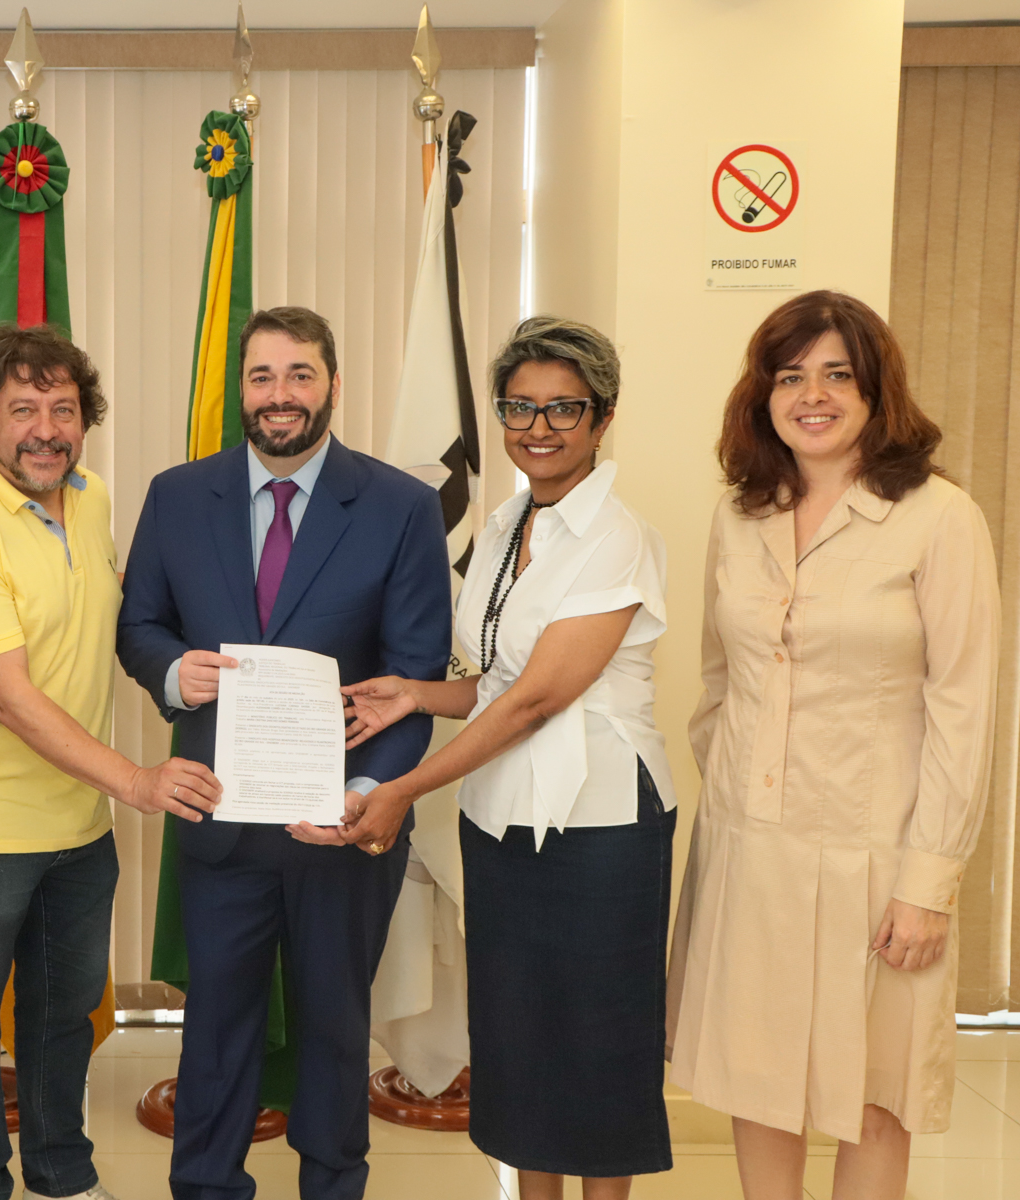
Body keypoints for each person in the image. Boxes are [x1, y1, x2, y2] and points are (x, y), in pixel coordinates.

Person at [667, 290, 1001, 1200]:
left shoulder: (940, 517)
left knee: (874, 1095)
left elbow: (964, 710)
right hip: (751, 851)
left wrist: (929, 882)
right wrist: (736, 796)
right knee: (756, 1082)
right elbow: (719, 685)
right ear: (763, 394)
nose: (811, 395)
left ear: (876, 391)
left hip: (880, 857)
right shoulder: (741, 515)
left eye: (836, 375)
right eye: (789, 376)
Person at [336, 316, 676, 1199]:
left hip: (601, 824)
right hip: (501, 818)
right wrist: (415, 695)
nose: (538, 427)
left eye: (564, 408)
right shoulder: (502, 524)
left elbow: (538, 699)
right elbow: (496, 681)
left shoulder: (617, 536)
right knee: (519, 1040)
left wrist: (403, 787)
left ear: (602, 418)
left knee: (597, 1046)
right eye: (519, 407)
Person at [116, 305, 452, 1200]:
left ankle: (332, 1186)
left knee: (334, 1033)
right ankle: (206, 1187)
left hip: (340, 825)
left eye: (300, 374)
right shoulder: (177, 497)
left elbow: (416, 676)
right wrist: (172, 671)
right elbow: (139, 625)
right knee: (215, 1035)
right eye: (262, 376)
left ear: (333, 384)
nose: (281, 394)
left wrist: (371, 789)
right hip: (219, 817)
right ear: (241, 389)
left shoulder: (402, 507)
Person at [0, 323, 220, 1200]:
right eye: (23, 410)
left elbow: (107, 622)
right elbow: (10, 699)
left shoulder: (94, 497)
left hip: (79, 823)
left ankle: (62, 1175)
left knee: (65, 1015)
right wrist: (137, 781)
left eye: (64, 409)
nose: (46, 430)